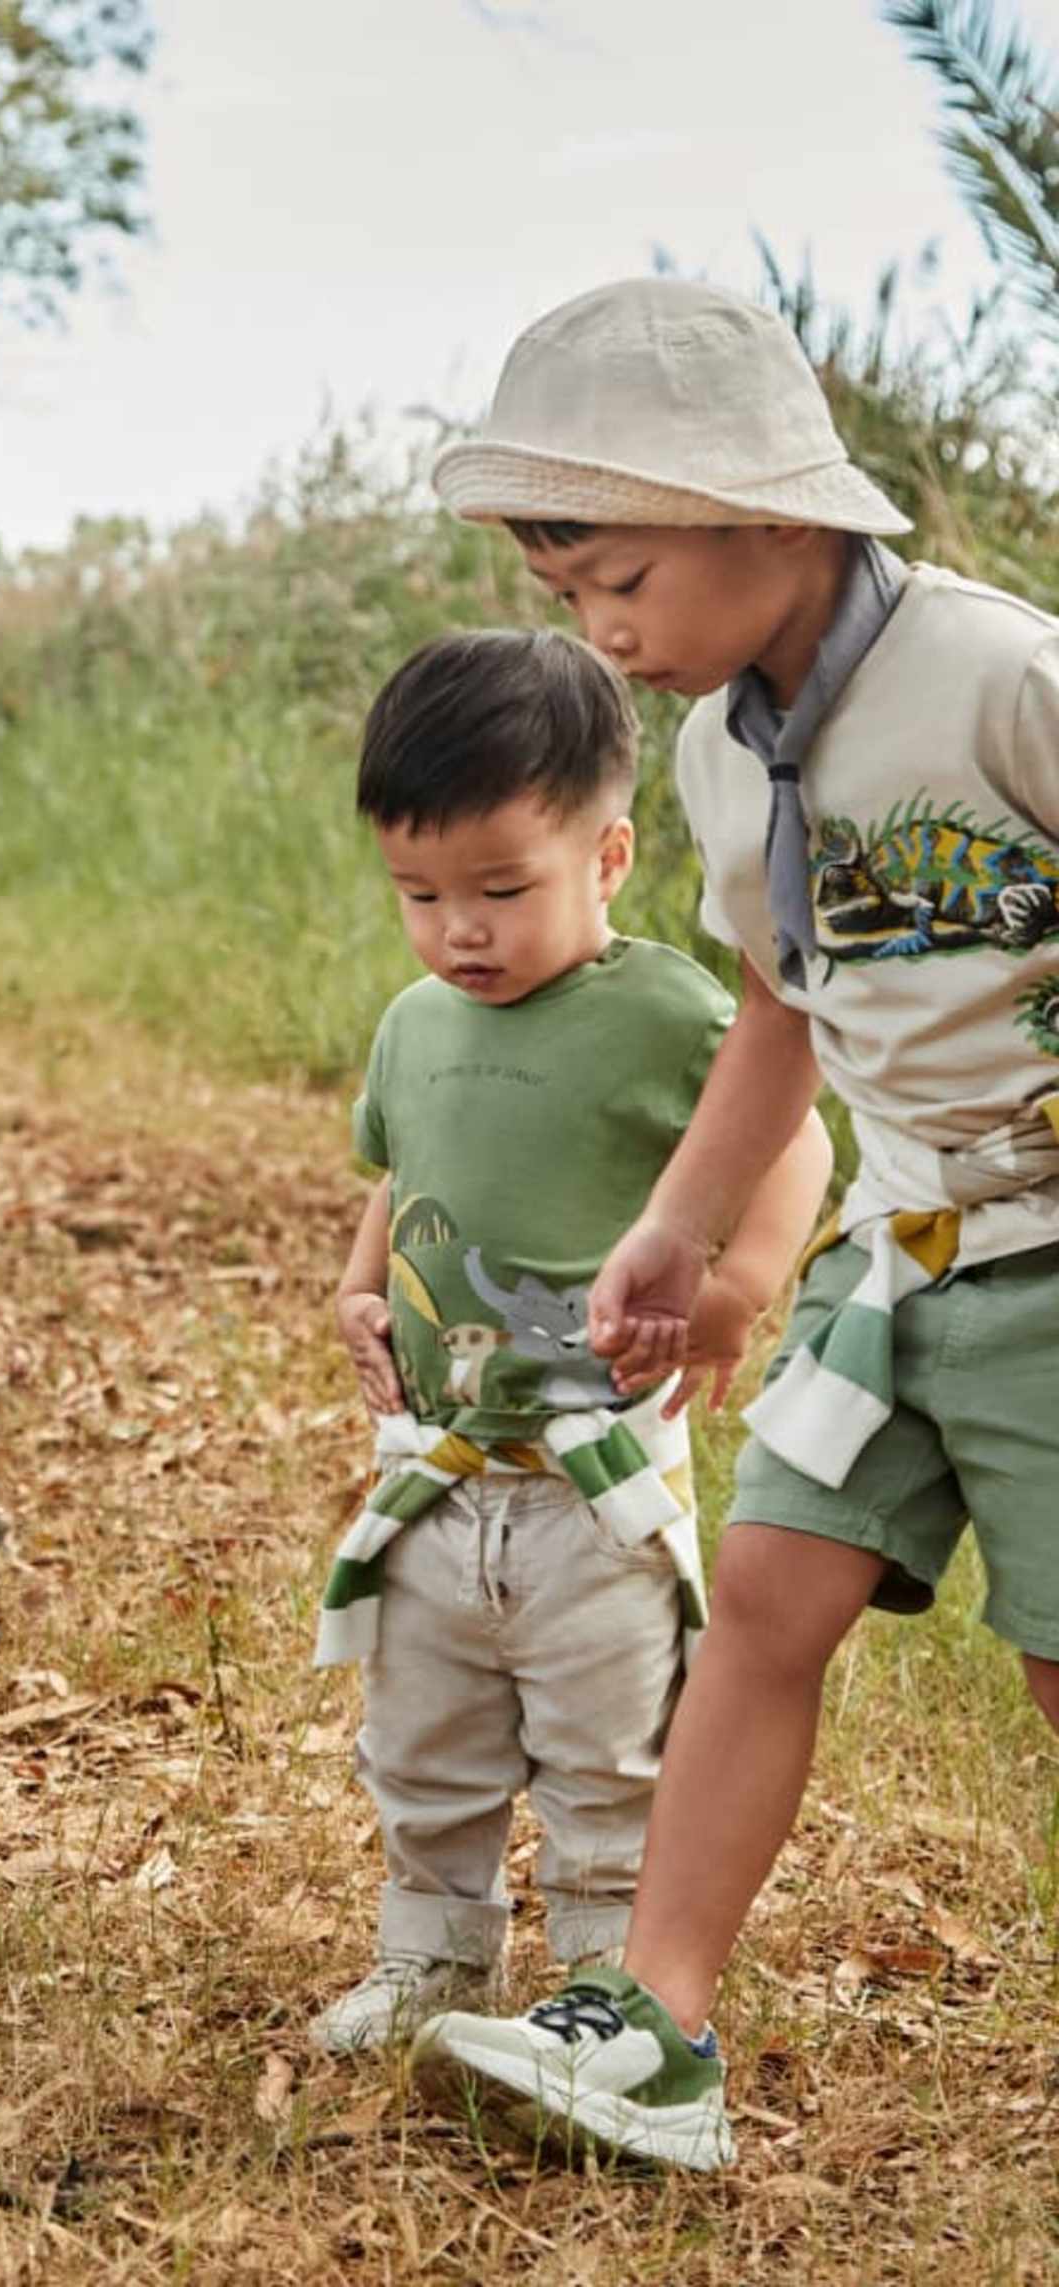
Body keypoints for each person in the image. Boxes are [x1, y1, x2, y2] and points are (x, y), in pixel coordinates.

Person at [417, 276, 1059, 2172]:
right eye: (570, 602)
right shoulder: (720, 757)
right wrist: (685, 1226)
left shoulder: (1000, 679)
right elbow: (785, 1003)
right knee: (765, 1600)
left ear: (769, 513)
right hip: (902, 1253)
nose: (603, 636)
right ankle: (658, 2023)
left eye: (620, 582)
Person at [309, 624, 831, 2072]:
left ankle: (605, 1972)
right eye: (417, 893)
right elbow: (396, 1177)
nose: (457, 929)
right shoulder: (415, 1025)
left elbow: (794, 1133)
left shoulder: (662, 1011)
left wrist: (743, 1283)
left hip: (594, 1479)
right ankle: (430, 1956)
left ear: (606, 859)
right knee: (423, 1734)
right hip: (432, 1469)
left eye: (499, 888)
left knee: (610, 1743)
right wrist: (361, 1292)